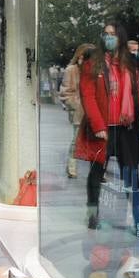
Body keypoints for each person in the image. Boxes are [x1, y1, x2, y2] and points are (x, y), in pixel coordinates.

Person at [76, 22, 139, 235]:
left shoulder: (129, 64)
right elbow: (88, 95)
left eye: (113, 34)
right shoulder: (92, 62)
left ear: (120, 38)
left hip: (126, 127)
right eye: (106, 34)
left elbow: (137, 95)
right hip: (103, 128)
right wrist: (98, 125)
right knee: (96, 172)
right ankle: (92, 216)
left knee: (131, 174)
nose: (109, 38)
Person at [58, 44, 93, 179]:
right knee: (76, 141)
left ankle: (97, 170)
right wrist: (76, 105)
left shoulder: (94, 70)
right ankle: (71, 167)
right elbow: (65, 93)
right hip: (79, 111)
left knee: (96, 142)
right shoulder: (71, 70)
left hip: (94, 111)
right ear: (80, 56)